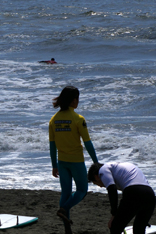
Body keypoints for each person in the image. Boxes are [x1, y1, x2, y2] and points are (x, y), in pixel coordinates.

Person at [49, 86, 99, 234]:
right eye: (77, 98)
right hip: (76, 161)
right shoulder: (78, 119)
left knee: (65, 193)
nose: (78, 101)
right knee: (82, 190)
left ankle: (67, 229)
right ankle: (64, 209)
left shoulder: (54, 120)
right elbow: (87, 142)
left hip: (62, 161)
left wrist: (54, 165)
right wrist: (96, 162)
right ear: (73, 100)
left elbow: (52, 146)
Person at [88, 162, 156, 234]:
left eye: (96, 183)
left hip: (133, 192)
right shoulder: (120, 168)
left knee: (114, 227)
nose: (100, 186)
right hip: (150, 195)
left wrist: (114, 214)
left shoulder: (103, 170)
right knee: (139, 229)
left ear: (96, 176)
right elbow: (139, 196)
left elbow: (112, 190)